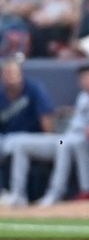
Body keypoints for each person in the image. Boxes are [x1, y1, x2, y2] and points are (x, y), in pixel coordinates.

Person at [6, 64, 89, 207]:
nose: (86, 81)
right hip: (63, 138)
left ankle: (55, 193)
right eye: (83, 78)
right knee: (20, 144)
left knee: (63, 144)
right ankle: (17, 194)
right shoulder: (83, 96)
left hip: (80, 140)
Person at [0, 57, 55, 207]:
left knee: (19, 143)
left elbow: (48, 122)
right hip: (8, 139)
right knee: (11, 143)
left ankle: (18, 195)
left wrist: (48, 141)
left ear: (21, 74)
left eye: (14, 73)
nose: (10, 76)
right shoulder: (1, 94)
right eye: (7, 73)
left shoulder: (34, 89)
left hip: (36, 138)